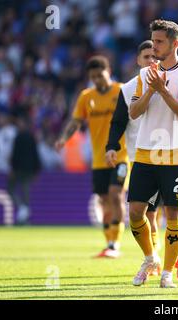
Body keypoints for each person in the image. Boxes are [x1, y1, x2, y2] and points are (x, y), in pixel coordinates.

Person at [128, 19, 178, 288]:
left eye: (159, 41)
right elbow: (134, 112)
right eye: (153, 40)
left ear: (175, 43)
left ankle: (168, 272)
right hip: (146, 152)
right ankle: (150, 257)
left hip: (176, 154)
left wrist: (163, 90)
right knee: (136, 212)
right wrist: (151, 88)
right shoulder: (145, 75)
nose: (154, 46)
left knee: (174, 215)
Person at [55, 56, 128, 258]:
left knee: (115, 195)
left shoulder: (122, 91)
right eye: (93, 77)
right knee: (104, 200)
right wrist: (63, 138)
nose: (97, 80)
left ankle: (115, 244)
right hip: (98, 159)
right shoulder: (86, 96)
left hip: (121, 155)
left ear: (109, 71)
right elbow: (76, 121)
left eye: (100, 75)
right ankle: (109, 242)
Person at [105, 40, 162, 274]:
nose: (151, 61)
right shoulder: (128, 89)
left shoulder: (169, 84)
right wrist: (111, 146)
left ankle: (164, 258)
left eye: (155, 56)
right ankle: (153, 257)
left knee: (158, 212)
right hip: (138, 158)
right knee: (147, 213)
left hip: (165, 156)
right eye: (146, 57)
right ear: (138, 60)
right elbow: (119, 120)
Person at [8, 114, 41, 225]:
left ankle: (23, 211)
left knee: (14, 189)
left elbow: (15, 155)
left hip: (20, 170)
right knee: (24, 190)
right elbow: (35, 154)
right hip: (27, 170)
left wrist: (12, 168)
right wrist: (36, 169)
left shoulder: (19, 137)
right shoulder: (30, 137)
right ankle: (24, 210)